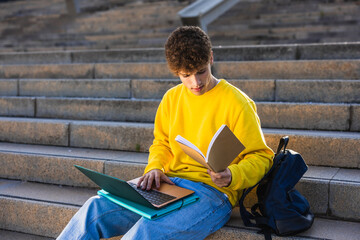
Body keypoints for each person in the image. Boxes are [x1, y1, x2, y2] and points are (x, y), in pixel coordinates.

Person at [57, 26, 274, 240]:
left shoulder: (237, 102)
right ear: (175, 72)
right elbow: (161, 143)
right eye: (186, 75)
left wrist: (232, 175)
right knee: (94, 209)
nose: (195, 83)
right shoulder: (171, 98)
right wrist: (154, 168)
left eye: (201, 71)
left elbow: (262, 157)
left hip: (213, 194)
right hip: (168, 185)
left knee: (144, 233)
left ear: (211, 58)